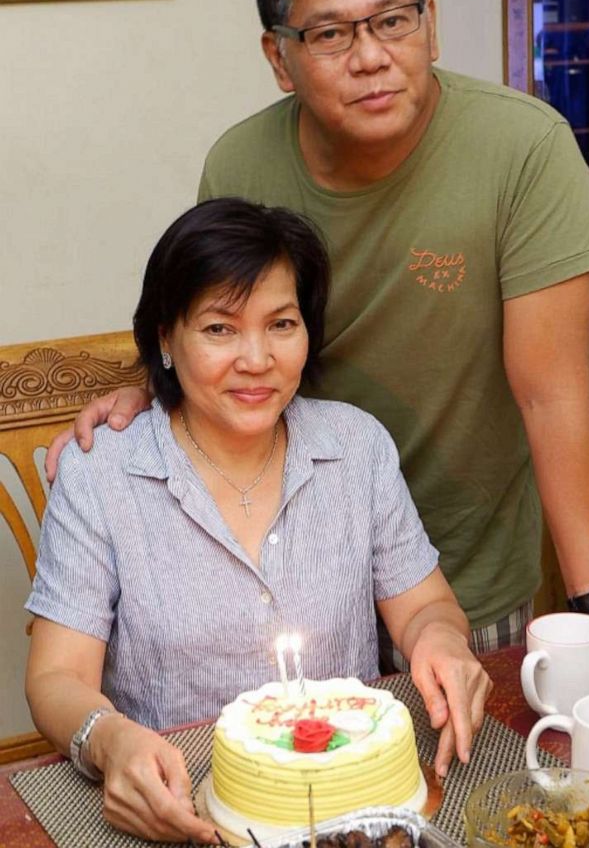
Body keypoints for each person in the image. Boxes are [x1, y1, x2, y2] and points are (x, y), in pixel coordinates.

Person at [46, 0, 589, 660]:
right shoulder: (242, 162)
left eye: (392, 20)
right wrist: (148, 389)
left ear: (431, 24)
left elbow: (550, 392)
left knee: (471, 772)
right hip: (295, 576)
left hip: (464, 572)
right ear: (280, 58)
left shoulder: (525, 151)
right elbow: (228, 326)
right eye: (331, 34)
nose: (371, 56)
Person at [27, 197, 492, 844]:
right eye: (219, 329)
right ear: (165, 337)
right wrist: (108, 742)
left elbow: (424, 609)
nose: (256, 358)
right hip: (181, 806)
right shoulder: (102, 474)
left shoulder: (356, 447)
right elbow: (57, 678)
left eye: (281, 323)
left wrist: (440, 638)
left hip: (352, 812)